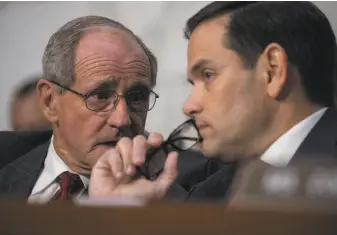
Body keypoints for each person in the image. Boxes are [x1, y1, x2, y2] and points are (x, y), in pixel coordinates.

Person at [87, 1, 337, 203]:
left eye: (208, 75)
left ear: (272, 70)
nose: (189, 106)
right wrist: (125, 215)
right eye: (191, 84)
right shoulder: (209, 194)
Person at [0, 15, 212, 202]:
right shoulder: (7, 158)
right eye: (100, 96)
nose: (122, 120)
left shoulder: (188, 184)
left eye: (137, 97)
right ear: (50, 101)